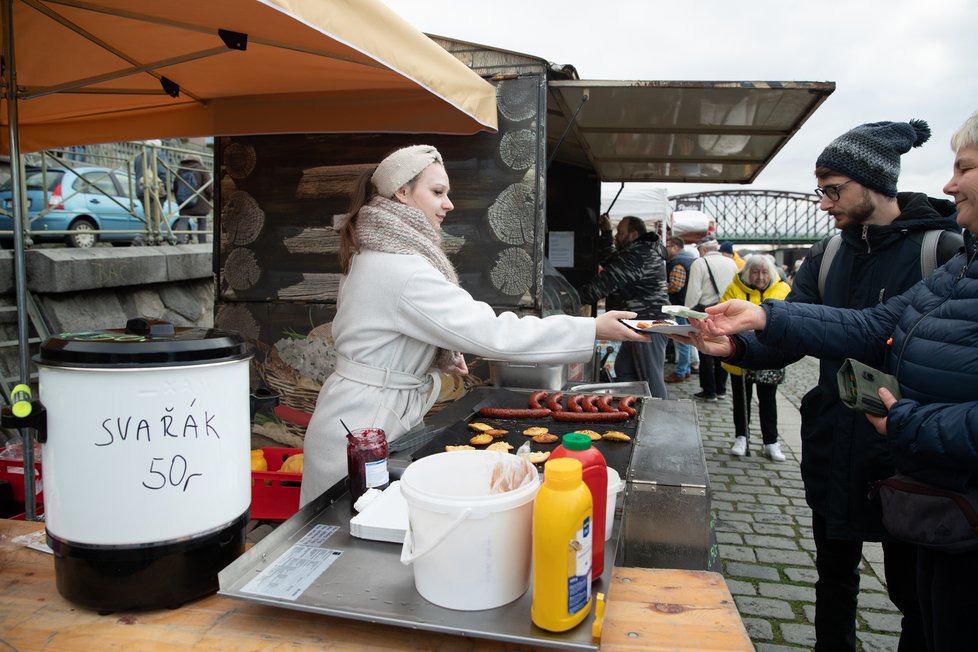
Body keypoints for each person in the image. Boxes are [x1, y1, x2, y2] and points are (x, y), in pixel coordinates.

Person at [676, 118, 962, 652]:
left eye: (834, 190)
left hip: (903, 451)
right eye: (820, 191)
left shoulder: (941, 253)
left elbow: (869, 332)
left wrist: (763, 321)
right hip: (834, 442)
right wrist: (733, 347)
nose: (825, 204)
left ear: (875, 182)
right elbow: (792, 333)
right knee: (833, 575)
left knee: (913, 596)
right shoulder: (829, 254)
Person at [299, 145, 650, 506]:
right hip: (365, 424)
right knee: (346, 536)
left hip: (361, 414)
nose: (448, 203)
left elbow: (382, 332)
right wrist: (591, 329)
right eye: (437, 192)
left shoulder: (374, 252)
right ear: (401, 193)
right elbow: (494, 334)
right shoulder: (400, 267)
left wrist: (428, 354)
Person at [578, 213, 670, 399]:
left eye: (620, 233)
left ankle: (658, 419)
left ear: (634, 234)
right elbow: (611, 260)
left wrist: (572, 298)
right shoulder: (637, 251)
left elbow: (603, 284)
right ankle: (634, 409)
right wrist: (605, 232)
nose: (617, 237)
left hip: (648, 325)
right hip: (640, 324)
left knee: (651, 381)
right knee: (625, 370)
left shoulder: (638, 254)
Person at [718, 254, 790, 461]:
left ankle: (771, 441)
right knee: (741, 398)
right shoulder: (734, 289)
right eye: (756, 272)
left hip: (771, 353)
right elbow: (723, 317)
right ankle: (741, 436)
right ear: (748, 272)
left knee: (768, 398)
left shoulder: (783, 290)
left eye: (765, 272)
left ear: (772, 273)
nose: (760, 277)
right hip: (741, 353)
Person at [684, 235, 738, 401]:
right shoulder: (731, 263)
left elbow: (694, 292)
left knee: (706, 349)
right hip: (727, 311)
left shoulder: (700, 263)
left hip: (706, 311)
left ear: (704, 249)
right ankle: (721, 388)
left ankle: (709, 390)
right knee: (724, 348)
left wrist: (687, 312)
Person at [664, 235, 696, 383]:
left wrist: (662, 288)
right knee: (686, 339)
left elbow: (675, 286)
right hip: (687, 304)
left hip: (679, 306)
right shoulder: (690, 259)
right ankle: (686, 369)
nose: (666, 249)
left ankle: (681, 371)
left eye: (668, 246)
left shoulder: (678, 262)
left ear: (676, 247)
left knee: (682, 341)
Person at [172, 155, 213, 244]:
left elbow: (175, 186)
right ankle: (202, 242)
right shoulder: (202, 169)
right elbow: (209, 188)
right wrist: (208, 199)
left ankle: (180, 241)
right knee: (202, 221)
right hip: (201, 202)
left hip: (184, 201)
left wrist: (179, 199)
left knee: (183, 220)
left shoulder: (180, 169)